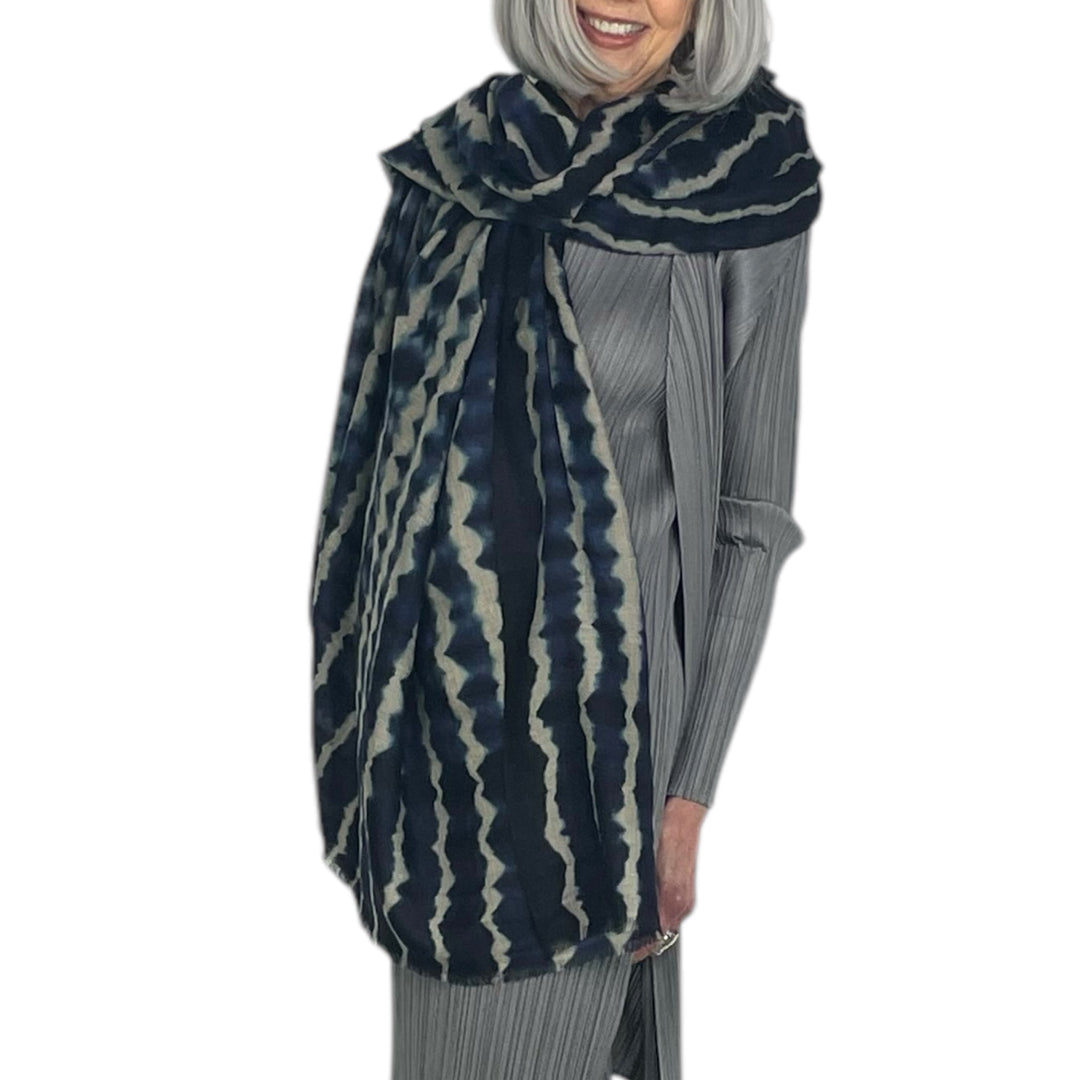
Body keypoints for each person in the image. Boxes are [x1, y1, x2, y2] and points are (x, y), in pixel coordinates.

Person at [309, 1, 821, 1077]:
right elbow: (372, 481)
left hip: (603, 764)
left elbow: (749, 520)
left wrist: (687, 799)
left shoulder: (743, 181)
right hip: (436, 758)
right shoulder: (459, 166)